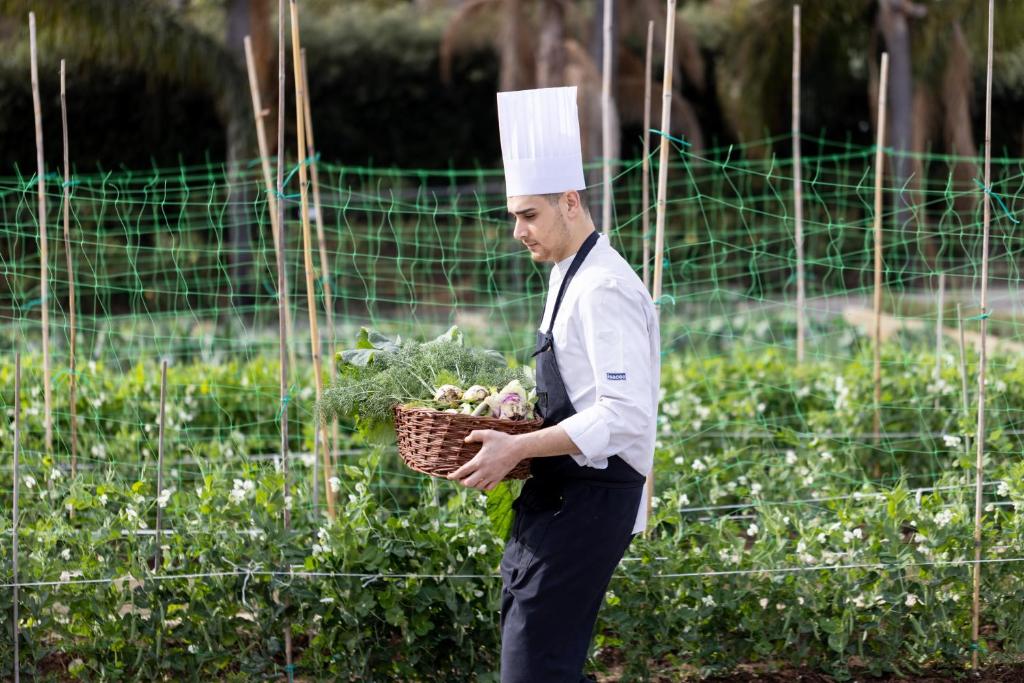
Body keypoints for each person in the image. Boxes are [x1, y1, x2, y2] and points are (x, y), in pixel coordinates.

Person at [447, 86, 661, 683]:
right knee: (541, 658)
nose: (518, 230)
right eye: (514, 216)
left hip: (591, 498)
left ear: (570, 201)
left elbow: (623, 414)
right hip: (559, 494)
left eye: (529, 215)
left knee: (533, 668)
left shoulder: (604, 288)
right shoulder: (568, 272)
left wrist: (517, 446)